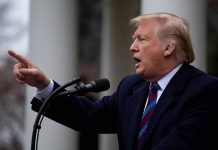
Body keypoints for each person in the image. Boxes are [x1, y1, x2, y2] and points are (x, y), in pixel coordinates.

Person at [8, 12, 218, 150]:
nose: (132, 47)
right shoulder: (131, 87)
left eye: (141, 39)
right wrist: (44, 85)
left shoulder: (206, 90)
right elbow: (88, 116)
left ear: (168, 48)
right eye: (133, 39)